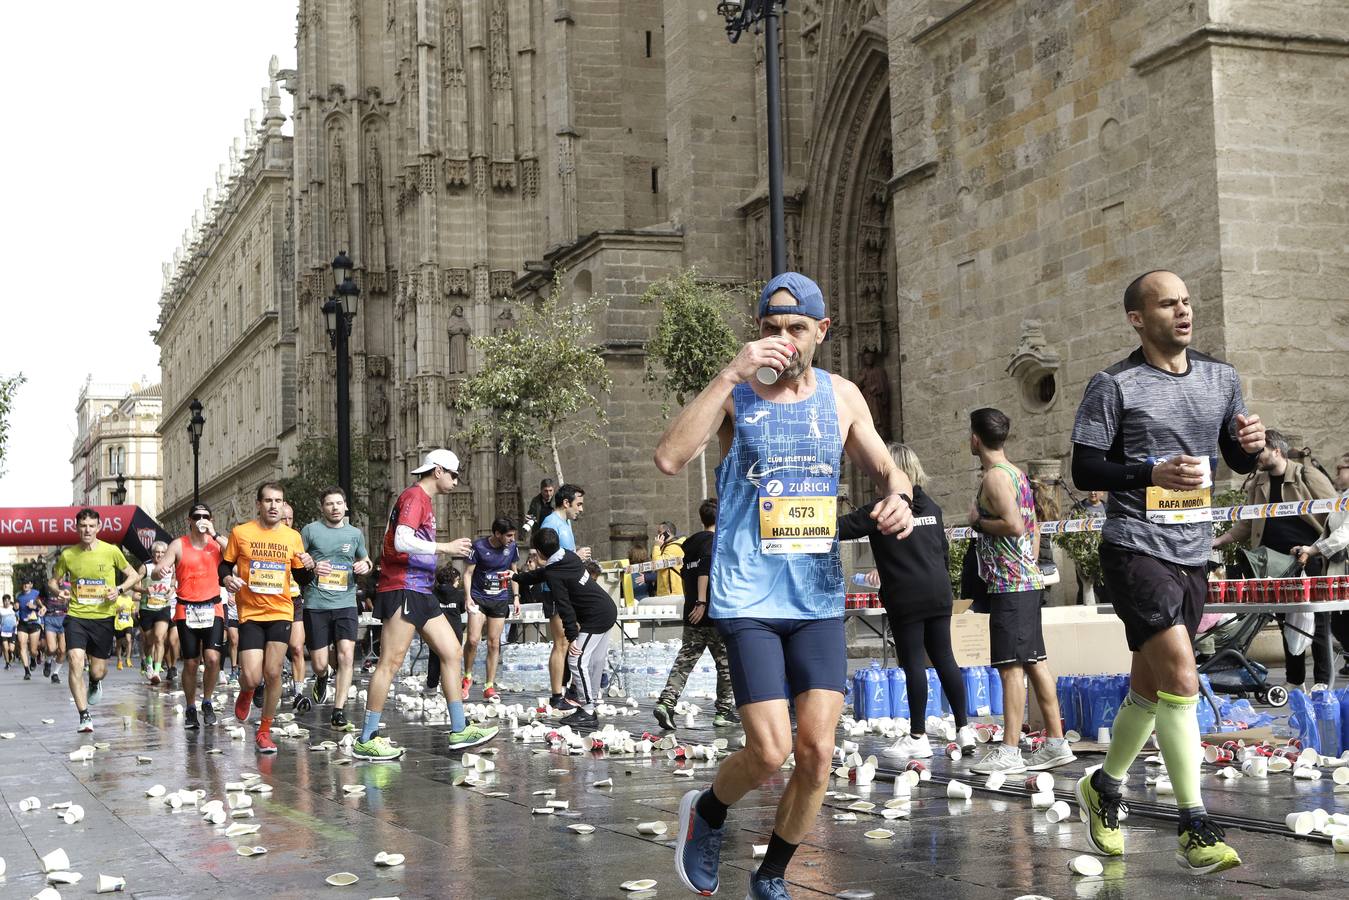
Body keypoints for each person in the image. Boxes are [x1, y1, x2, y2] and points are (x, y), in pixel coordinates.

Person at [654, 271, 915, 900]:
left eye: (797, 327)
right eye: (771, 327)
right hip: (748, 593)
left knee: (818, 753)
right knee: (770, 751)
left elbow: (889, 470)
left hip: (816, 596)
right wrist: (729, 374)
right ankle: (707, 811)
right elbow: (668, 457)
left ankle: (772, 874)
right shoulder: (738, 393)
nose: (783, 339)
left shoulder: (843, 396)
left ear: (821, 330)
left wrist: (901, 499)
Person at [1072, 269, 1264, 874]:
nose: (1183, 312)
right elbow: (1085, 469)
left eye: (1186, 302)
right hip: (1135, 547)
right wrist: (1148, 473)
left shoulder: (1221, 378)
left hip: (1192, 548)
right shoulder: (1113, 385)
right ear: (1137, 318)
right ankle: (1195, 827)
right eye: (1167, 305)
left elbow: (1233, 458)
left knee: (1152, 689)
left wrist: (1250, 445)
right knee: (1182, 675)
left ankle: (1103, 786)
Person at [352, 449, 497, 760]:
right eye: (454, 475)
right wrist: (445, 546)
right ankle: (366, 738)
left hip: (420, 589)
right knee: (390, 662)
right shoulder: (415, 497)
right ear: (438, 471)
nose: (456, 481)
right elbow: (401, 540)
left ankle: (459, 728)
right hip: (403, 587)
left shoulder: (423, 500)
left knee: (452, 651)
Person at [841, 443, 974, 758]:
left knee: (914, 664)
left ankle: (918, 736)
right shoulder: (933, 508)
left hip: (906, 596)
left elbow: (839, 528)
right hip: (938, 592)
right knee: (945, 659)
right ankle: (964, 729)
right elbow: (942, 551)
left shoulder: (881, 509)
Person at [962, 409, 1072, 775]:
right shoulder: (1016, 474)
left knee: (1010, 667)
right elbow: (1033, 527)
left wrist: (978, 522)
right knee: (1035, 661)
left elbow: (1013, 525)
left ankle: (1010, 750)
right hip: (1024, 580)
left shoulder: (995, 477)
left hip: (1011, 584)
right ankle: (1056, 743)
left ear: (976, 438)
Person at [1213, 428, 1337, 689]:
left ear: (1276, 451)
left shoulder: (1308, 475)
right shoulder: (1259, 482)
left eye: (1260, 452)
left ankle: (1323, 683)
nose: (1255, 458)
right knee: (1285, 621)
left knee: (1318, 621)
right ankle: (1295, 681)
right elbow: (1248, 521)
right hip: (1273, 562)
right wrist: (1220, 540)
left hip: (1309, 558)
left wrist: (1319, 548)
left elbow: (1335, 512)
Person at [222, 483, 314, 752]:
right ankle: (247, 690)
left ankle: (264, 731)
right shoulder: (241, 533)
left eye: (279, 501)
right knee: (252, 677)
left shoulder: (292, 537)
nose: (274, 506)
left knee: (273, 672)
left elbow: (302, 578)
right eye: (269, 501)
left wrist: (309, 567)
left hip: (281, 611)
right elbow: (225, 564)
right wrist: (226, 578)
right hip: (250, 612)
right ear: (258, 504)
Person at [50, 508, 142, 732]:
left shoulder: (111, 551)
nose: (87, 530)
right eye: (83, 526)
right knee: (75, 659)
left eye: (91, 526)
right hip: (77, 616)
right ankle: (84, 716)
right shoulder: (68, 555)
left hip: (103, 618)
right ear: (77, 528)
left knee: (98, 670)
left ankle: (94, 681)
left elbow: (134, 575)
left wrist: (119, 589)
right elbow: (53, 581)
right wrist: (58, 592)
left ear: (99, 527)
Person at [518, 527, 617, 731]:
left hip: (596, 617)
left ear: (541, 552)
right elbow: (543, 573)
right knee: (591, 661)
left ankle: (588, 711)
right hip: (605, 608)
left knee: (576, 660)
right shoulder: (569, 557)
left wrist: (572, 637)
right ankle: (588, 704)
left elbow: (565, 607)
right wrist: (516, 577)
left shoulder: (555, 573)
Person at [653, 499, 737, 731]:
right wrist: (702, 601)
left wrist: (694, 602)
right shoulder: (712, 542)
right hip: (711, 613)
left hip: (691, 614)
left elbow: (686, 574)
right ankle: (723, 711)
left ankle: (666, 703)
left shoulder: (690, 545)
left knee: (684, 662)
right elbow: (704, 570)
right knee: (726, 665)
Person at [300, 486, 372, 731]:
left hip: (346, 603)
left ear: (345, 506)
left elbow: (365, 559)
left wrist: (365, 566)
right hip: (316, 603)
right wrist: (312, 565)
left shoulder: (355, 533)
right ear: (322, 507)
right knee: (320, 663)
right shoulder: (310, 530)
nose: (335, 508)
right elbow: (298, 561)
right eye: (330, 504)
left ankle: (338, 711)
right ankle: (322, 676)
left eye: (339, 503)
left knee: (346, 656)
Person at [162, 502, 229, 729]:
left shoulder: (216, 543)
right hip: (186, 609)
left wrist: (214, 534)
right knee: (191, 663)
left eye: (206, 516)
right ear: (189, 520)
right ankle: (191, 707)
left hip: (213, 607)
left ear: (211, 519)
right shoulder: (178, 544)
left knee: (213, 659)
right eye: (197, 516)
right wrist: (161, 570)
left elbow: (236, 553)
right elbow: (159, 569)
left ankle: (207, 701)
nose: (201, 519)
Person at [1294, 452, 1349, 666]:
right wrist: (1309, 549)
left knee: (1343, 627)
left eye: (1340, 469)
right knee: (1340, 627)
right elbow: (1329, 533)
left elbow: (1343, 535)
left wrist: (1313, 550)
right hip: (1340, 573)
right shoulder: (1343, 497)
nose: (1335, 474)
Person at [540, 484, 590, 708]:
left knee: (573, 639)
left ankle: (570, 688)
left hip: (570, 589)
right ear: (566, 503)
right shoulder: (550, 523)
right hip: (555, 590)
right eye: (578, 504)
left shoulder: (566, 523)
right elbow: (543, 559)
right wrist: (575, 557)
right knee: (561, 642)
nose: (581, 509)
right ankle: (556, 696)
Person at [462, 517, 520, 701]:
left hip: (500, 598)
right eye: (508, 535)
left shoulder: (512, 547)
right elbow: (468, 573)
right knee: (473, 640)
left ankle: (489, 686)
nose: (512, 539)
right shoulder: (478, 546)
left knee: (494, 643)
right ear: (497, 534)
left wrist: (516, 597)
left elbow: (514, 572)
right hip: (479, 598)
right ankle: (467, 676)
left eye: (513, 535)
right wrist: (468, 597)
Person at [280, 501, 311, 711]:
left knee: (297, 648)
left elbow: (304, 572)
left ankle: (298, 693)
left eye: (290, 518)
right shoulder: (265, 537)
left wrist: (311, 565)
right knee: (273, 652)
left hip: (294, 598)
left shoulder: (295, 538)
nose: (287, 522)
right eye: (283, 518)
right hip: (272, 601)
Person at [137, 541, 175, 684]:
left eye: (162, 552)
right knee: (149, 641)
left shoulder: (171, 566)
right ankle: (148, 663)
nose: (159, 555)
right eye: (157, 552)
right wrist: (144, 590)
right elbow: (134, 585)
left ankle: (157, 671)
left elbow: (173, 581)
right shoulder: (145, 567)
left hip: (163, 607)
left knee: (159, 638)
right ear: (152, 554)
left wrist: (171, 590)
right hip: (147, 608)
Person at [426, 565, 466, 694]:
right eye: (457, 580)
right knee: (453, 659)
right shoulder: (459, 594)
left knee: (434, 657)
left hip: (436, 630)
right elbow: (462, 609)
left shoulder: (432, 593)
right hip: (454, 630)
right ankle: (453, 687)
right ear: (453, 580)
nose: (458, 583)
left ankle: (432, 686)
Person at [42, 581, 70, 684]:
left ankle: (55, 674)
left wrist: (67, 601)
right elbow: (38, 599)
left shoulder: (69, 586)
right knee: (52, 648)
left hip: (63, 618)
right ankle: (48, 661)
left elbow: (74, 600)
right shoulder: (47, 586)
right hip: (50, 617)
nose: (59, 579)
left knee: (62, 651)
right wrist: (42, 606)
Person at [14, 579, 43, 679]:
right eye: (24, 584)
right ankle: (27, 671)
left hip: (34, 623)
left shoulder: (36, 593)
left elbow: (42, 608)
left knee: (33, 650)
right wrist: (15, 607)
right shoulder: (18, 595)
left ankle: (34, 657)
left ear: (31, 584)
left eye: (27, 583)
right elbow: (16, 608)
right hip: (22, 624)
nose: (25, 585)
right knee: (22, 647)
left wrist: (34, 607)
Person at [652, 521, 685, 596]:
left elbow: (657, 564)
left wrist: (656, 546)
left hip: (672, 593)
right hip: (668, 592)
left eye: (659, 532)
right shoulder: (668, 546)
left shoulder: (673, 547)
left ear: (668, 532)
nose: (657, 536)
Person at [114, 590, 137, 669]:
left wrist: (134, 613)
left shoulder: (130, 599)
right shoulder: (117, 598)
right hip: (118, 624)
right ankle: (119, 660)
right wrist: (119, 609)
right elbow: (112, 611)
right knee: (119, 643)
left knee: (128, 639)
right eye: (125, 589)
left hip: (128, 623)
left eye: (128, 589)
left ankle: (128, 659)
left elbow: (133, 611)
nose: (126, 591)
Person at [1, 595, 17, 669]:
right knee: (5, 647)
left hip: (12, 631)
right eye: (5, 601)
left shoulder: (13, 608)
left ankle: (10, 654)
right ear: (3, 601)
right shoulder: (0, 610)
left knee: (11, 649)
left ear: (10, 601)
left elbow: (18, 616)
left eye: (8, 601)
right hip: (3, 631)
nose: (6, 602)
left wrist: (17, 623)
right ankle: (7, 663)